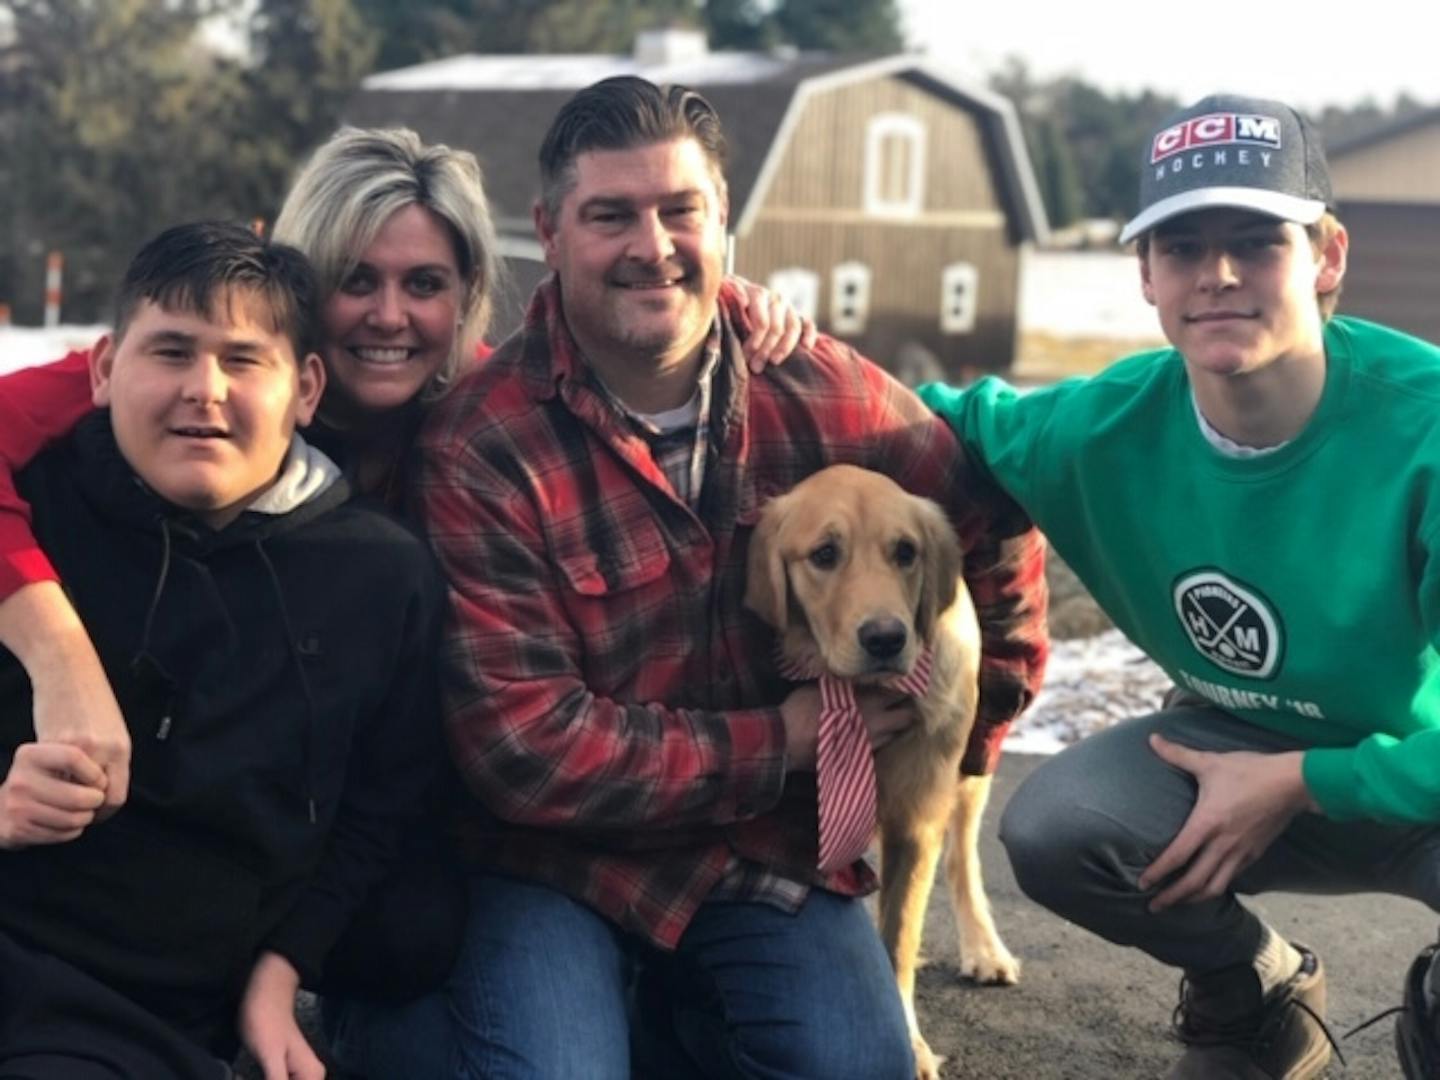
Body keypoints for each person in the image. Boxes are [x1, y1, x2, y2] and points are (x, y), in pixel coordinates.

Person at [410, 75, 1048, 1080]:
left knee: (861, 1066)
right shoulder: (485, 442)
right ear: (549, 228)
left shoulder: (831, 394)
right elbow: (522, 749)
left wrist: (971, 722)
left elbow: (990, 516)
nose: (651, 246)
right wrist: (785, 741)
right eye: (610, 215)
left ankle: (682, 1022)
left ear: (724, 227)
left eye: (680, 212)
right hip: (554, 864)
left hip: (766, 855)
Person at [0, 125, 815, 824]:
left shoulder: (501, 421)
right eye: (354, 280)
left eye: (423, 285)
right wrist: (62, 660)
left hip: (438, 838)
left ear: (465, 300)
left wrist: (708, 303)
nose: (389, 316)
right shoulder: (192, 382)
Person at [919, 93, 1440, 1079]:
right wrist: (758, 333)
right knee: (1060, 830)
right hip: (1227, 748)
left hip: (1419, 773)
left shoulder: (1427, 430)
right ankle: (1256, 992)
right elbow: (923, 418)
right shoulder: (1097, 430)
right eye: (1184, 246)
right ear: (1147, 274)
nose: (1221, 276)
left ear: (1327, 255)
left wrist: (1300, 781)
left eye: (1257, 240)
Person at [0, 220, 444, 1079]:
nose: (203, 390)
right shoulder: (31, 507)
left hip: (128, 1018)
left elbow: (378, 812)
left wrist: (283, 973)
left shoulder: (380, 578)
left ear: (307, 388)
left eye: (243, 361)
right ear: (101, 369)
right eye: (170, 351)